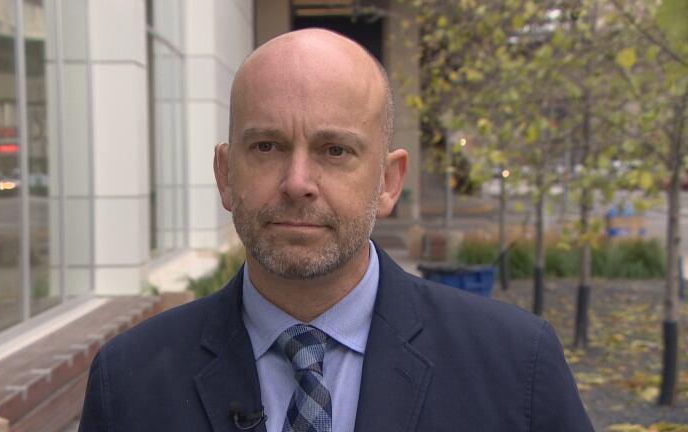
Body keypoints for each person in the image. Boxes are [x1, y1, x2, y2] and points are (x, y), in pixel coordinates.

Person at [79, 29, 594, 432]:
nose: (297, 182)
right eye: (266, 146)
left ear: (388, 182)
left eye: (335, 150)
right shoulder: (128, 380)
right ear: (225, 174)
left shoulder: (515, 366)